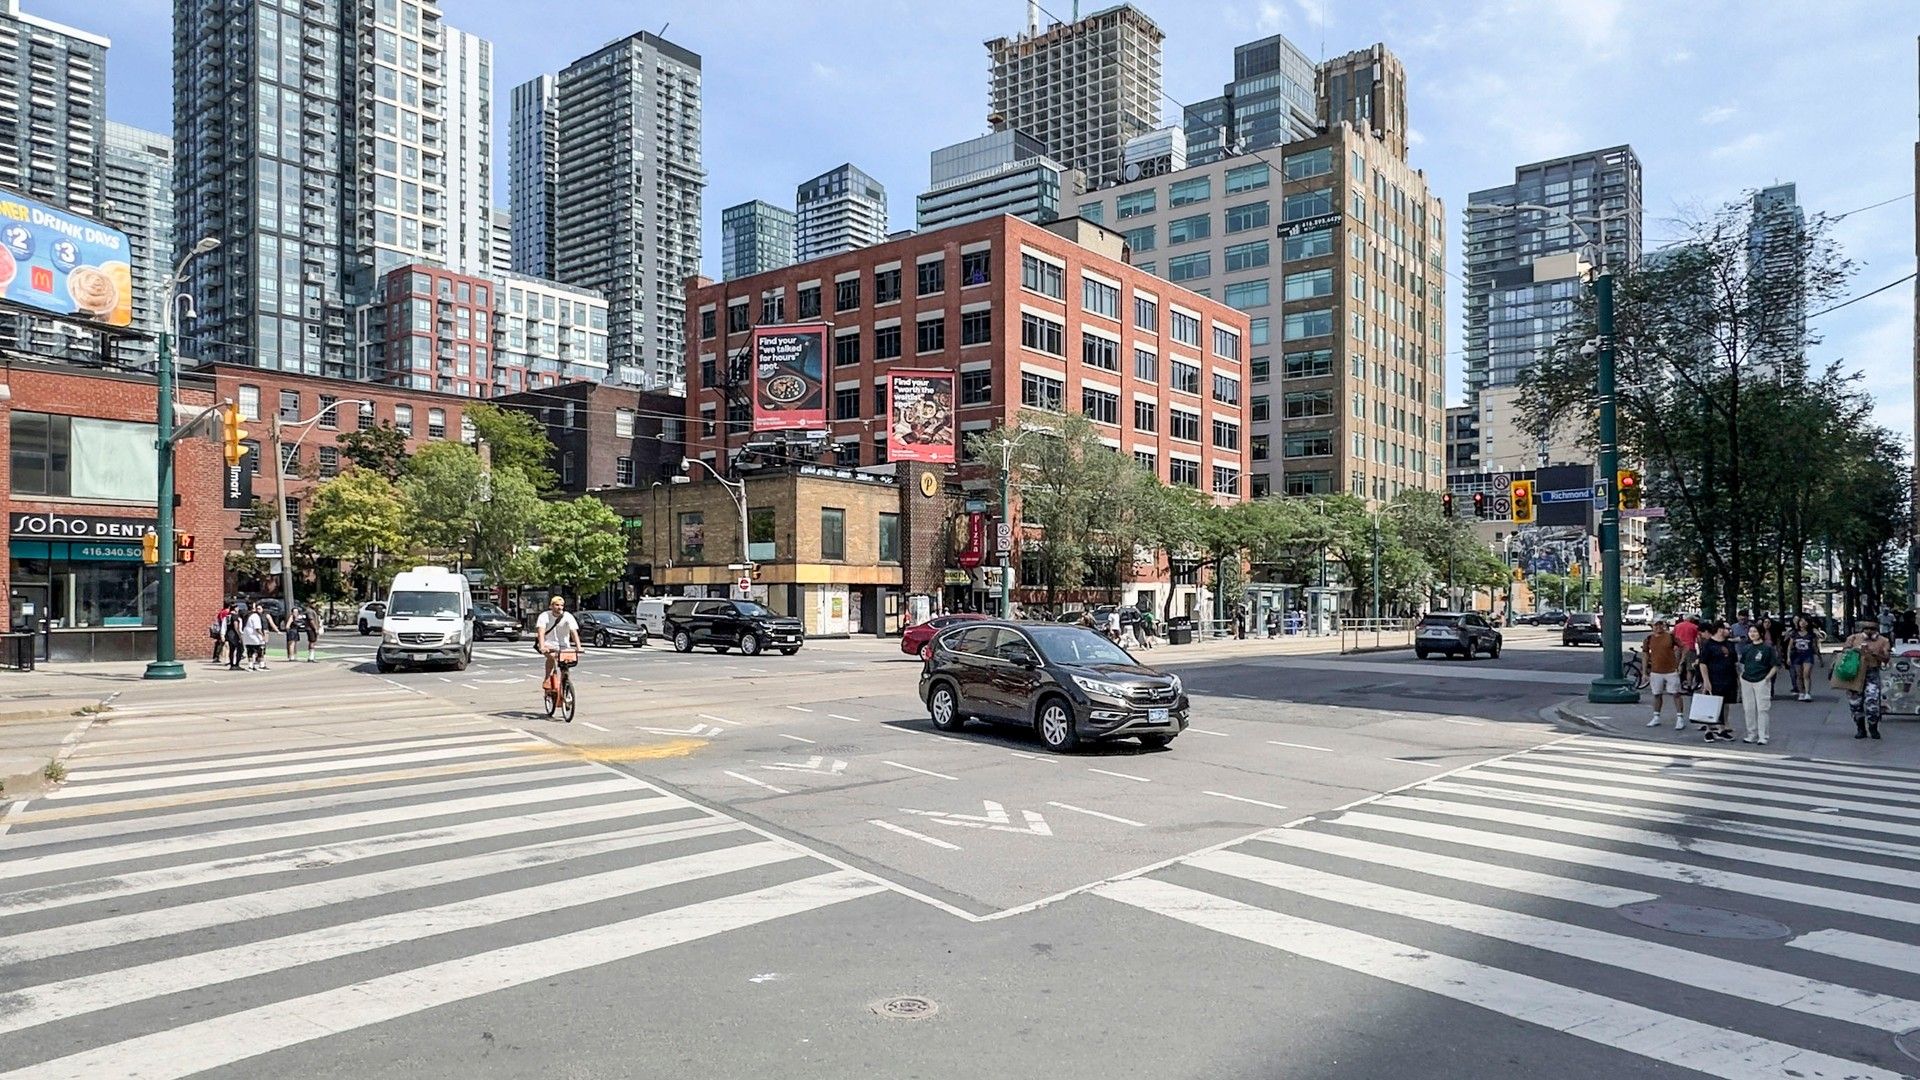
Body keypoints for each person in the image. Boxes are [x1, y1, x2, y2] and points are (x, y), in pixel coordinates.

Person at [1835, 618, 1892, 740]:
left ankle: (1873, 727)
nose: (1869, 631)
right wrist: (1854, 651)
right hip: (1855, 673)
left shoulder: (1883, 641)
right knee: (1855, 703)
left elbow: (1886, 658)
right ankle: (1860, 728)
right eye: (1866, 628)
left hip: (1872, 673)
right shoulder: (1853, 638)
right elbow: (1844, 653)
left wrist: (1873, 653)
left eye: (1872, 628)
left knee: (1872, 702)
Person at [1695, 622, 1739, 742]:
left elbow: (1734, 661)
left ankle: (1722, 729)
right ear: (1720, 630)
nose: (1729, 631)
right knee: (1711, 704)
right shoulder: (1709, 645)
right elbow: (1703, 663)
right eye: (1727, 628)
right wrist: (1706, 680)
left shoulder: (1729, 644)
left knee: (1726, 704)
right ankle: (1708, 730)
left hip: (1728, 678)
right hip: (1714, 678)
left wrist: (1737, 678)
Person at [1737, 623, 1779, 745]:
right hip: (1746, 679)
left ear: (1761, 633)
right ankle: (1751, 734)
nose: (1752, 634)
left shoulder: (1767, 648)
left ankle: (1763, 735)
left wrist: (1767, 678)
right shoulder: (1747, 648)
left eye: (1755, 631)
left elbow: (1775, 665)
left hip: (1761, 679)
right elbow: (1742, 664)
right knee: (1748, 708)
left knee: (1762, 709)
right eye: (1750, 632)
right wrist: (1741, 676)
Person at [1642, 619, 1684, 730]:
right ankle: (1656, 716)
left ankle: (1680, 717)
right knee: (1657, 694)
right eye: (1656, 625)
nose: (1658, 627)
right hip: (1656, 670)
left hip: (1671, 670)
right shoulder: (1649, 639)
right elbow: (1645, 654)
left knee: (1676, 693)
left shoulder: (1670, 637)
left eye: (1660, 624)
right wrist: (1644, 672)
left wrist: (1680, 662)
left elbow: (1684, 647)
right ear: (1652, 626)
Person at [535, 595, 582, 693]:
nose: (559, 607)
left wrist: (579, 647)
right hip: (549, 644)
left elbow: (573, 632)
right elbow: (541, 632)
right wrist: (542, 646)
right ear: (551, 606)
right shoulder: (544, 616)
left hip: (564, 645)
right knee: (552, 657)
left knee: (566, 662)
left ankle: (565, 685)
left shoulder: (568, 616)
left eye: (561, 605)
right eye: (557, 605)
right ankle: (547, 678)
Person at [1786, 615, 1822, 702]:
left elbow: (1815, 647)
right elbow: (1790, 646)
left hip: (1808, 656)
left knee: (1806, 674)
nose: (1803, 623)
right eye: (1801, 621)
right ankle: (1801, 692)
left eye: (1805, 621)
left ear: (1808, 623)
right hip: (1796, 656)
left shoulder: (1811, 634)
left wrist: (1819, 657)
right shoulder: (1794, 634)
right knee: (1799, 675)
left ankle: (1807, 693)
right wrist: (1788, 657)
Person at [241, 604, 269, 671]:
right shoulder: (255, 616)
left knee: (250, 651)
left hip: (247, 636)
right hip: (255, 637)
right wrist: (262, 635)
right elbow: (257, 628)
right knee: (260, 650)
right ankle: (261, 665)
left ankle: (250, 666)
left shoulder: (246, 616)